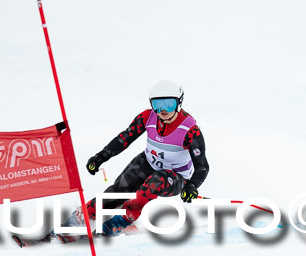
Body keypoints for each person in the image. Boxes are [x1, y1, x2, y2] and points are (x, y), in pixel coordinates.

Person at [61, 78, 209, 239]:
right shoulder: (148, 117)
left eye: (169, 104)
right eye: (157, 105)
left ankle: (120, 222)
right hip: (148, 163)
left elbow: (202, 166)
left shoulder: (190, 130)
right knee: (116, 192)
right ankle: (72, 223)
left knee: (153, 183)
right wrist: (101, 157)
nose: (163, 110)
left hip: (176, 177)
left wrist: (192, 186)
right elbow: (124, 139)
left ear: (179, 103)